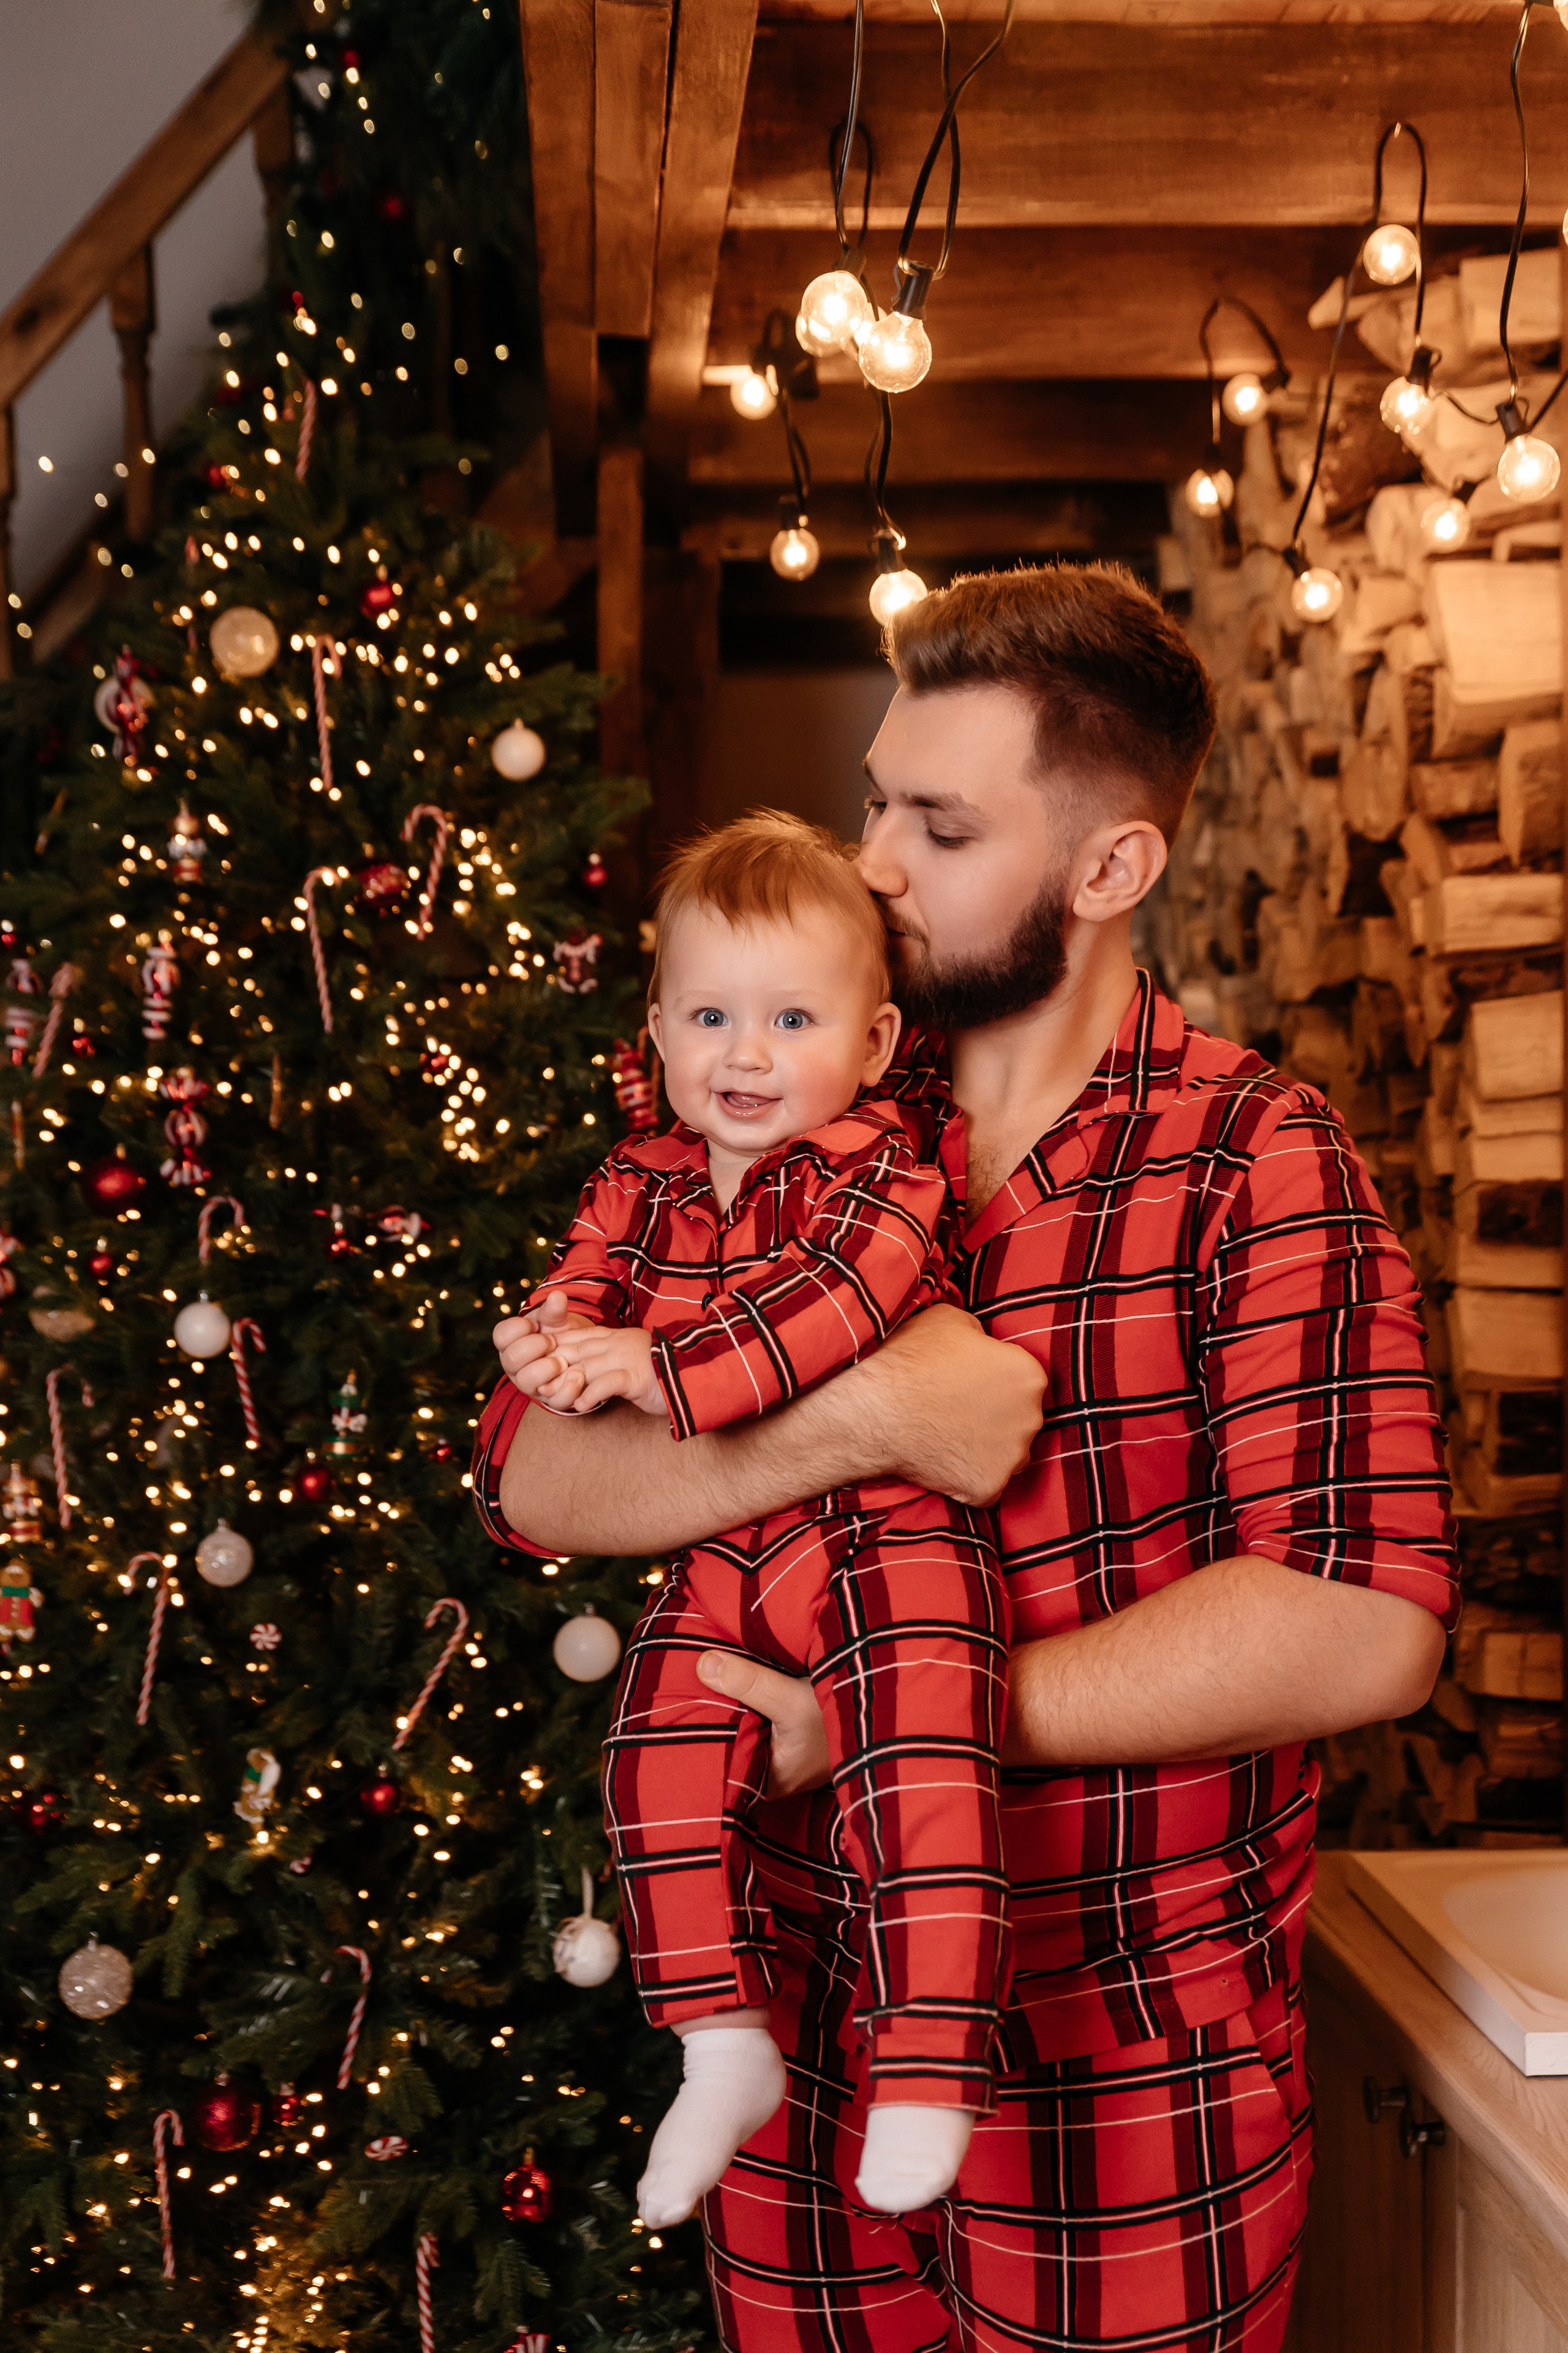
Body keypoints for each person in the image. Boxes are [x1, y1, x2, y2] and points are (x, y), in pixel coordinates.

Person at [475, 562, 1455, 2353]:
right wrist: (861, 1413)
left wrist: (883, 1718)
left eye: (936, 821)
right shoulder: (786, 1081)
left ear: (1108, 870)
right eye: (871, 801)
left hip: (1124, 2073)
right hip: (801, 2050)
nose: (871, 864)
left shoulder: (1260, 1158)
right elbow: (538, 1478)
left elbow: (1363, 1624)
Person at [502, 811, 1012, 2229]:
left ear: (869, 1038)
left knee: (921, 1750)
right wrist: (548, 1344)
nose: (744, 1054)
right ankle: (721, 2038)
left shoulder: (884, 1170)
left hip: (885, 1536)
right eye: (712, 1014)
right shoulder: (642, 1179)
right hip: (733, 1549)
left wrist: (658, 1371)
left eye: (791, 1018)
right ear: (659, 1027)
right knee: (655, 1753)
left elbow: (831, 1310)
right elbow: (581, 1291)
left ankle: (930, 2057)